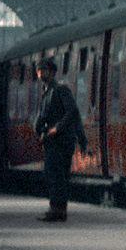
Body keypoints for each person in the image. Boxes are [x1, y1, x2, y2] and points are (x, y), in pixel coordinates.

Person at [32, 58, 84, 222]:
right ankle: (56, 208)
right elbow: (42, 116)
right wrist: (40, 131)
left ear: (52, 72)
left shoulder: (60, 90)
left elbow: (72, 112)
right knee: (53, 174)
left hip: (61, 141)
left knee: (57, 175)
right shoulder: (46, 92)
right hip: (51, 141)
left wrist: (57, 128)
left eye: (44, 70)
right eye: (39, 70)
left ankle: (58, 210)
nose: (41, 73)